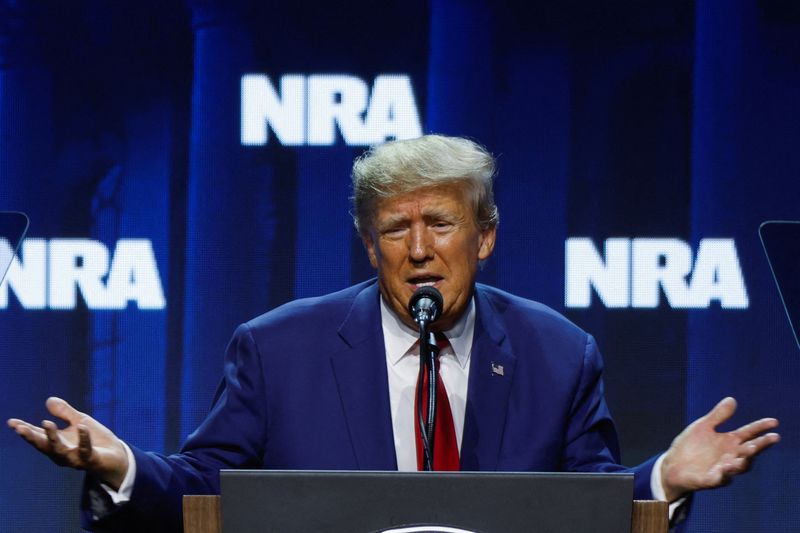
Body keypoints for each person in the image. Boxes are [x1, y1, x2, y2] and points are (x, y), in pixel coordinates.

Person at [8, 135, 780, 532]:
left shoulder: (557, 352)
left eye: (440, 223)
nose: (417, 250)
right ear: (369, 244)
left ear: (484, 237)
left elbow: (583, 505)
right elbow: (210, 491)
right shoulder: (278, 348)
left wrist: (662, 482)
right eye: (394, 230)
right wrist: (125, 469)